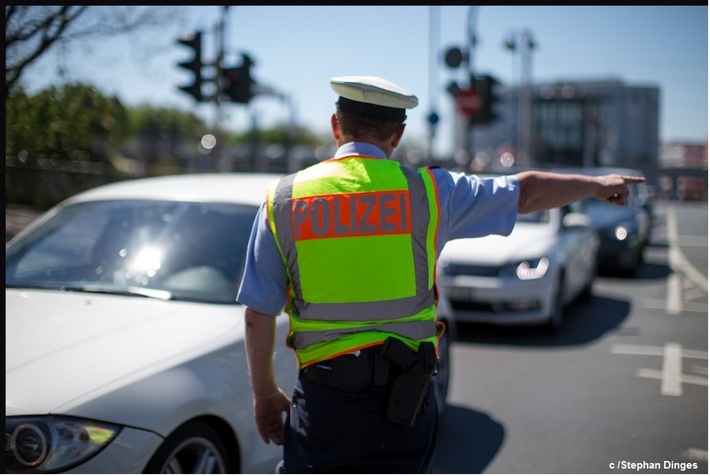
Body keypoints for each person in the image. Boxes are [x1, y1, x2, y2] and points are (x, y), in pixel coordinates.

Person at [237, 75, 645, 473]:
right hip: (403, 405)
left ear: (335, 126)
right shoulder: (430, 193)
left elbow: (258, 313)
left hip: (323, 403)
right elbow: (526, 193)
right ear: (397, 135)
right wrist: (595, 185)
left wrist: (263, 393)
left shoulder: (284, 200)